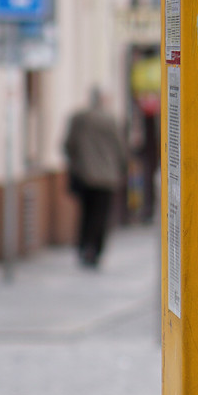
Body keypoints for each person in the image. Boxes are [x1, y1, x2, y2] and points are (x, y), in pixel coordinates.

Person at [64, 89, 127, 267]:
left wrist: (77, 164)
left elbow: (69, 144)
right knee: (101, 214)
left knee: (86, 212)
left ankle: (84, 247)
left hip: (85, 174)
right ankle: (96, 250)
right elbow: (120, 147)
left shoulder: (79, 119)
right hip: (107, 176)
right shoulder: (110, 120)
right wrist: (122, 168)